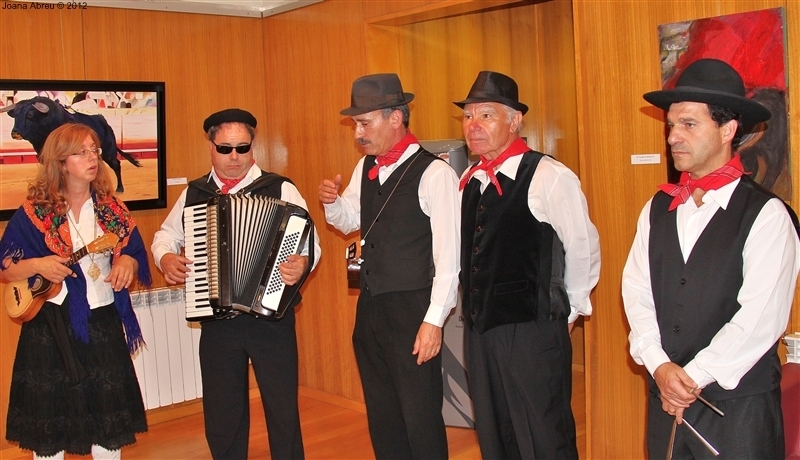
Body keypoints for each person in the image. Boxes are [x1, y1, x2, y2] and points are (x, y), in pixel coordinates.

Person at [622, 58, 800, 459]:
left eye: (688, 124)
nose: (673, 137)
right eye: (671, 124)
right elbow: (637, 292)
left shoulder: (767, 215)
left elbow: (760, 320)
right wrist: (659, 366)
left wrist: (689, 378)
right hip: (666, 400)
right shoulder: (656, 209)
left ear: (728, 130)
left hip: (737, 413)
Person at [150, 108, 321, 460]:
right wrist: (165, 258)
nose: (234, 157)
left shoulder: (280, 187)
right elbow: (164, 236)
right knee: (222, 410)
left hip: (271, 318)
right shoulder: (195, 193)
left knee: (282, 407)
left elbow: (311, 243)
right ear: (210, 146)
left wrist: (302, 264)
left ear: (252, 147)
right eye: (225, 148)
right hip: (217, 321)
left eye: (242, 148)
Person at [456, 71, 601, 459]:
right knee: (495, 431)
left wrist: (570, 309)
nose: (474, 125)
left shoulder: (549, 175)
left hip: (532, 330)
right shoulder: (469, 179)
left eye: (486, 115)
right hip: (481, 331)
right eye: (468, 116)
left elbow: (584, 246)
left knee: (543, 434)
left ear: (515, 121)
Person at [318, 73, 460, 459]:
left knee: (420, 416)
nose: (357, 133)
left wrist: (433, 321)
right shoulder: (365, 166)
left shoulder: (435, 174)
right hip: (371, 306)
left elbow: (450, 259)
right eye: (355, 124)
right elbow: (349, 220)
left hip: (414, 309)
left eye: (364, 123)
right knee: (382, 415)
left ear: (395, 118)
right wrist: (332, 203)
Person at [0, 123, 151, 459]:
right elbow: (6, 267)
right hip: (50, 327)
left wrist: (128, 263)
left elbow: (134, 253)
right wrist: (39, 265)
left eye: (94, 150)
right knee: (50, 426)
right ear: (61, 162)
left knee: (107, 428)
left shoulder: (113, 210)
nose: (92, 157)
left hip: (103, 322)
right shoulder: (34, 213)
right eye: (81, 152)